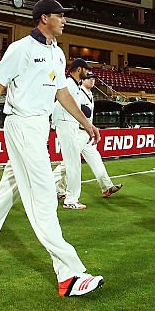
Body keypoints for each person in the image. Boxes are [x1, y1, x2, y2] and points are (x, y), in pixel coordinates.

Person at [0, 0, 105, 297]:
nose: (64, 20)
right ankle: (70, 275)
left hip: (39, 127)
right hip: (21, 125)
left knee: (6, 193)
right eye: (60, 16)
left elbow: (62, 93)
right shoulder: (19, 49)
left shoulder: (58, 54)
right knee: (44, 198)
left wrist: (84, 123)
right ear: (44, 18)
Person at [51, 59, 121, 209]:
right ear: (78, 70)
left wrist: (89, 126)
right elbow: (63, 104)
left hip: (73, 125)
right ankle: (69, 199)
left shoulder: (75, 86)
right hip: (67, 123)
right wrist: (87, 126)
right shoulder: (70, 84)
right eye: (86, 70)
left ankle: (61, 191)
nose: (89, 73)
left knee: (72, 162)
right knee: (72, 163)